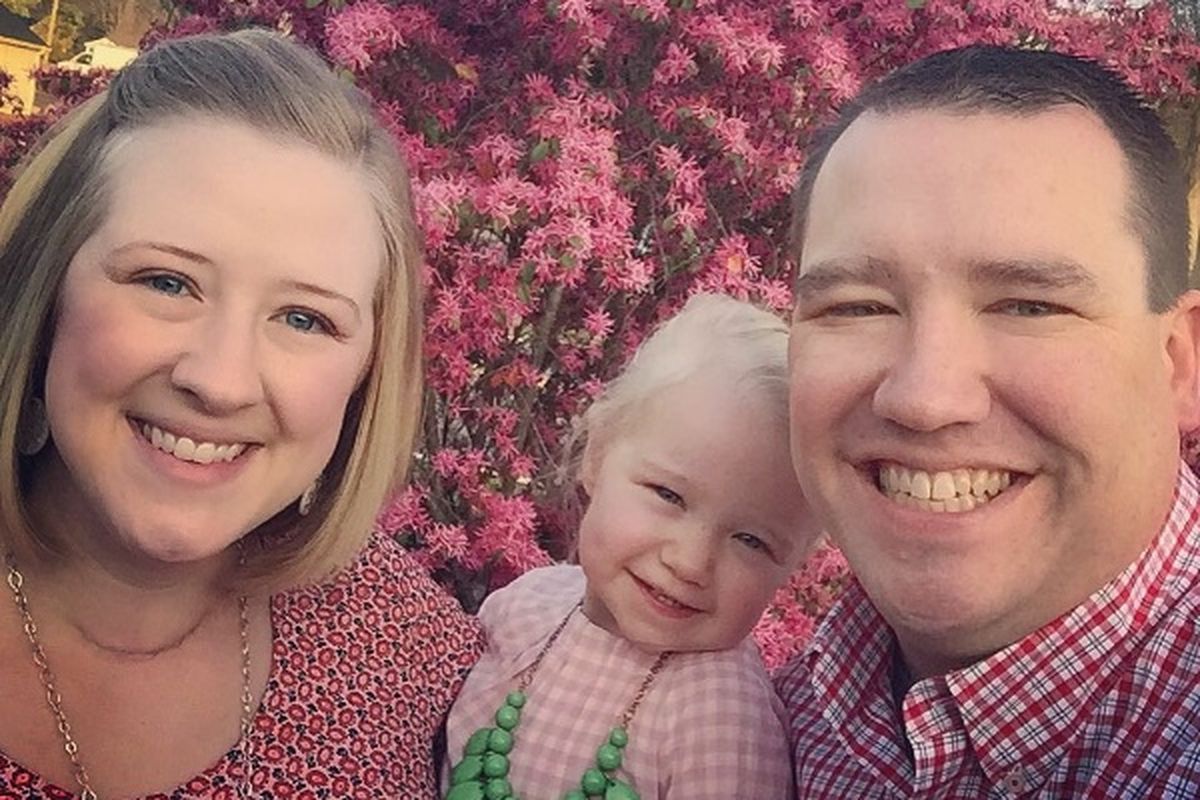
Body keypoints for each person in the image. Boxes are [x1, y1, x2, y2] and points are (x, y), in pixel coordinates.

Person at [0, 29, 483, 799]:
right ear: (45, 289)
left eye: (303, 319)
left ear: (366, 372)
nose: (220, 383)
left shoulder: (412, 656)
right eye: (166, 282)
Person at [778, 44, 1200, 797]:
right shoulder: (775, 720)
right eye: (859, 307)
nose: (925, 399)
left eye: (1030, 306)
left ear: (1179, 363)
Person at [442, 293, 821, 800]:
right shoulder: (524, 608)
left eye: (751, 540)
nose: (689, 562)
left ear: (792, 565)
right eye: (668, 495)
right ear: (597, 455)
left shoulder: (719, 718)